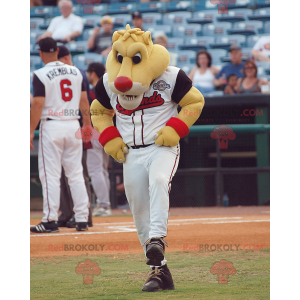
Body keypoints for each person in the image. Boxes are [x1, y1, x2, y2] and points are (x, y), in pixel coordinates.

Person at [90, 24, 204, 292]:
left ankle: (157, 240)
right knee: (139, 210)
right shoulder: (109, 80)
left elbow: (194, 101)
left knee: (159, 180)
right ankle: (159, 271)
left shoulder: (171, 76)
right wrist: (110, 137)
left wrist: (176, 128)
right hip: (131, 152)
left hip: (161, 147)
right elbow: (98, 111)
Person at [30, 37, 91, 233]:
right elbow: (84, 102)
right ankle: (82, 218)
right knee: (75, 174)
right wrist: (87, 125)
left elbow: (37, 104)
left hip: (52, 125)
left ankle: (50, 219)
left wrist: (29, 130)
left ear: (40, 53)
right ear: (57, 51)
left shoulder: (40, 73)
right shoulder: (77, 72)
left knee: (50, 175)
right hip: (73, 124)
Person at [56, 45, 93, 227]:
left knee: (79, 173)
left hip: (76, 126)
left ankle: (85, 214)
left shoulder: (78, 73)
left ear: (63, 58)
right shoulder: (57, 74)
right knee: (63, 173)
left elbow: (84, 101)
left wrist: (87, 124)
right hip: (69, 126)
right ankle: (67, 212)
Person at [86, 62, 112, 217]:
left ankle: (104, 205)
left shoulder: (93, 90)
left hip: (95, 131)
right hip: (108, 130)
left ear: (93, 73)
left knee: (96, 170)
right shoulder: (109, 87)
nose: (88, 76)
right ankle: (105, 204)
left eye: (89, 73)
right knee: (102, 170)